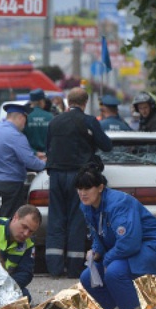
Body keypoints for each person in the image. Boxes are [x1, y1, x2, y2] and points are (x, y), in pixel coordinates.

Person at [75, 162, 156, 309]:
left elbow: (130, 243)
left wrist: (106, 259)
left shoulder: (118, 203)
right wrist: (95, 251)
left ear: (100, 188)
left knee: (115, 272)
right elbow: (98, 235)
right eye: (79, 188)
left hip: (151, 246)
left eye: (87, 188)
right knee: (88, 277)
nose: (82, 193)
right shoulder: (86, 206)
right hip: (126, 248)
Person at [45, 87, 112, 277]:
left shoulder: (55, 121)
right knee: (76, 220)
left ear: (68, 101)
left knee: (56, 219)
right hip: (79, 176)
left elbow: (48, 148)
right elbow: (106, 146)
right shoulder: (89, 121)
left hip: (56, 174)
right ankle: (74, 268)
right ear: (85, 103)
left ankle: (55, 267)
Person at [0, 102, 46, 219]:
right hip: (10, 185)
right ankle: (6, 238)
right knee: (9, 220)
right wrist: (47, 165)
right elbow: (30, 161)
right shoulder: (16, 135)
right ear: (20, 117)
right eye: (25, 120)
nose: (25, 124)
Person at [24, 89, 54, 153]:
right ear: (41, 101)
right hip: (47, 156)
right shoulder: (50, 116)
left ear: (31, 102)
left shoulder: (25, 117)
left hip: (30, 156)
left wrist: (35, 153)